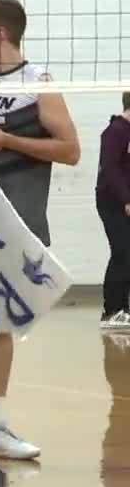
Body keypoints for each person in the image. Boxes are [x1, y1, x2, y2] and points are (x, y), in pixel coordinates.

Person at [0, 0, 79, 460]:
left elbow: (70, 151)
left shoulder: (37, 84)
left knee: (0, 324)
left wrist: (8, 140)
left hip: (15, 219)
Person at [97, 93, 130, 329]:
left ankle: (124, 309)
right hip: (113, 202)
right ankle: (112, 311)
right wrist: (126, 199)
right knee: (122, 253)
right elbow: (110, 169)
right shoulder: (116, 130)